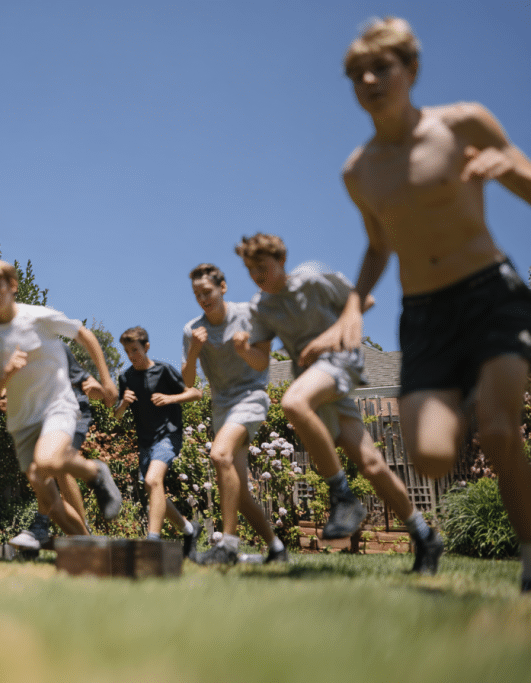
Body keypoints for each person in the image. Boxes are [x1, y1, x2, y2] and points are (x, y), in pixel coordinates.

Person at [308, 17, 531, 588]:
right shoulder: (359, 172)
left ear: (410, 70)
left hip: (489, 293)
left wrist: (510, 165)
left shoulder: (463, 123)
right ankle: (458, 393)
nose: (369, 80)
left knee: (502, 431)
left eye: (381, 67)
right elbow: (380, 244)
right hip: (425, 314)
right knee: (430, 456)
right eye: (357, 73)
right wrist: (353, 307)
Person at [234, 233, 441, 574]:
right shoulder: (262, 307)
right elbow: (261, 361)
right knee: (372, 464)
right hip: (316, 380)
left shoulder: (313, 280)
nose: (257, 276)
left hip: (339, 363)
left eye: (262, 268)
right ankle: (425, 535)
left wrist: (328, 338)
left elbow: (364, 302)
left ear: (281, 261)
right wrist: (245, 351)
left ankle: (342, 496)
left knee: (293, 402)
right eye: (250, 270)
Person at [0, 259, 123, 539]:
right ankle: (87, 548)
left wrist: (106, 379)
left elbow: (83, 333)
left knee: (49, 461)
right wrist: (5, 374)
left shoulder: (37, 317)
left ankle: (95, 472)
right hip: (22, 422)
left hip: (57, 405)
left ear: (13, 286)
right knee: (50, 501)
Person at [183, 264, 287, 564]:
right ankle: (276, 549)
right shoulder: (193, 330)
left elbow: (262, 362)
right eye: (197, 294)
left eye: (207, 292)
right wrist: (193, 351)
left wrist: (244, 350)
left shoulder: (248, 316)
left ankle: (227, 546)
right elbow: (188, 383)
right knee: (238, 494)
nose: (203, 298)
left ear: (223, 287)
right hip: (222, 408)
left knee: (219, 455)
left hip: (250, 398)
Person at [113, 326, 202, 557]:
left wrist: (170, 398)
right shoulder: (126, 377)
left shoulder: (163, 371)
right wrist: (123, 403)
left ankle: (152, 541)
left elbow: (195, 393)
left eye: (135, 350)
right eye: (127, 351)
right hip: (145, 442)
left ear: (147, 347)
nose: (131, 355)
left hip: (168, 436)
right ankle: (189, 529)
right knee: (154, 489)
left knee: (153, 480)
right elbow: (117, 415)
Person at [7, 345, 104, 550]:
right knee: (41, 470)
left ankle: (56, 526)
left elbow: (88, 382)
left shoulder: (53, 346)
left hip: (71, 410)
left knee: (57, 465)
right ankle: (78, 533)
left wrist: (100, 389)